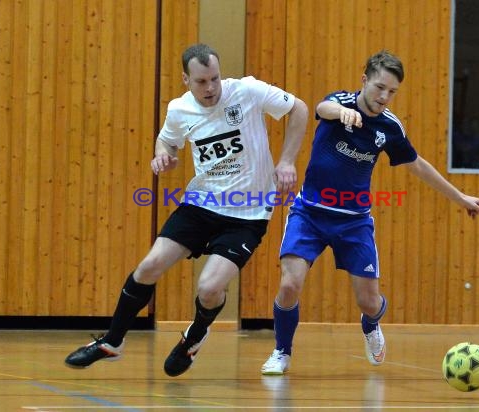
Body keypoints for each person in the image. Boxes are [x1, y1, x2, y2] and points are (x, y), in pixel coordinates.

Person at [64, 43, 308, 377]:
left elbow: (301, 109)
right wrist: (161, 154)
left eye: (214, 79)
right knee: (149, 266)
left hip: (246, 213)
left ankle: (193, 338)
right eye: (201, 82)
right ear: (185, 79)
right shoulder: (179, 109)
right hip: (200, 204)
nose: (210, 88)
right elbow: (166, 140)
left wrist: (287, 160)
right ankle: (112, 342)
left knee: (209, 289)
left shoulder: (248, 91)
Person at [260, 50, 479, 375]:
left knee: (369, 301)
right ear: (364, 80)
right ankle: (282, 351)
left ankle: (370, 325)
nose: (384, 96)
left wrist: (460, 197)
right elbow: (323, 108)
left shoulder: (390, 127)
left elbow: (418, 166)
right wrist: (342, 113)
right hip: (310, 213)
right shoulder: (340, 103)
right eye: (380, 87)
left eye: (392, 91)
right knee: (290, 284)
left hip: (354, 222)